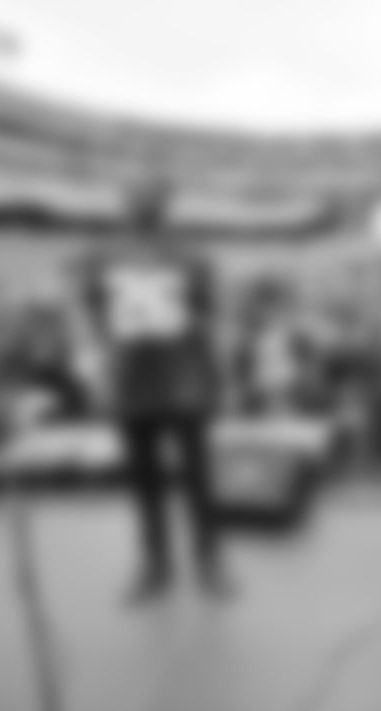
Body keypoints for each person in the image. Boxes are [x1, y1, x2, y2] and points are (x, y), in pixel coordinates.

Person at [74, 179, 230, 604]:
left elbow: (210, 311)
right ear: (124, 205)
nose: (142, 207)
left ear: (165, 206)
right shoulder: (102, 256)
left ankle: (209, 561)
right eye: (134, 199)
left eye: (150, 200)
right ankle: (154, 565)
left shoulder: (191, 255)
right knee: (144, 482)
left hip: (184, 379)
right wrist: (108, 342)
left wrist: (181, 320)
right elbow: (91, 310)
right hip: (132, 381)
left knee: (198, 478)